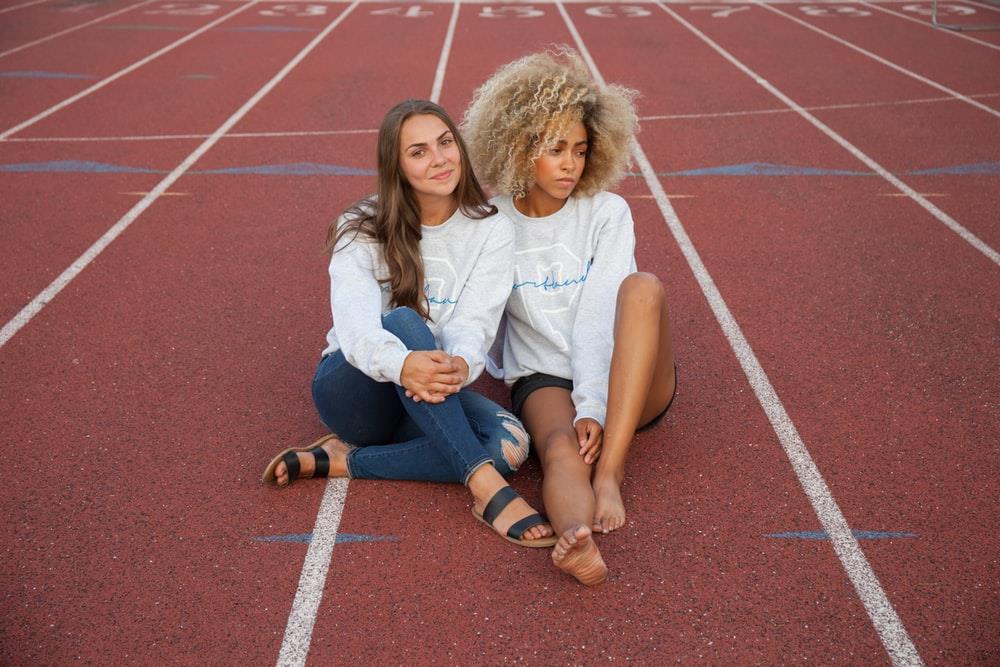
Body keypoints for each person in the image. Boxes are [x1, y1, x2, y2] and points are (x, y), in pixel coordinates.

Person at [263, 99, 555, 549]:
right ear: (397, 167)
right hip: (356, 390)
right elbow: (359, 332)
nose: (439, 159)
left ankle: (342, 461)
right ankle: (486, 489)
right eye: (418, 152)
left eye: (444, 143)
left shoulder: (490, 229)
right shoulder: (361, 226)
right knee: (403, 322)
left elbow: (475, 321)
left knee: (512, 444)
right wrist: (404, 366)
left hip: (428, 391)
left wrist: (461, 362)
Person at [463, 50, 677, 583]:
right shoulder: (494, 225)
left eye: (580, 150)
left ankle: (611, 471)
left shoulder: (607, 213)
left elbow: (600, 314)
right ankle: (577, 541)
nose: (571, 164)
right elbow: (479, 311)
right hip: (545, 377)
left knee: (643, 287)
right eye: (555, 149)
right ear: (518, 147)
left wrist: (595, 406)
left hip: (624, 374)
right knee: (558, 449)